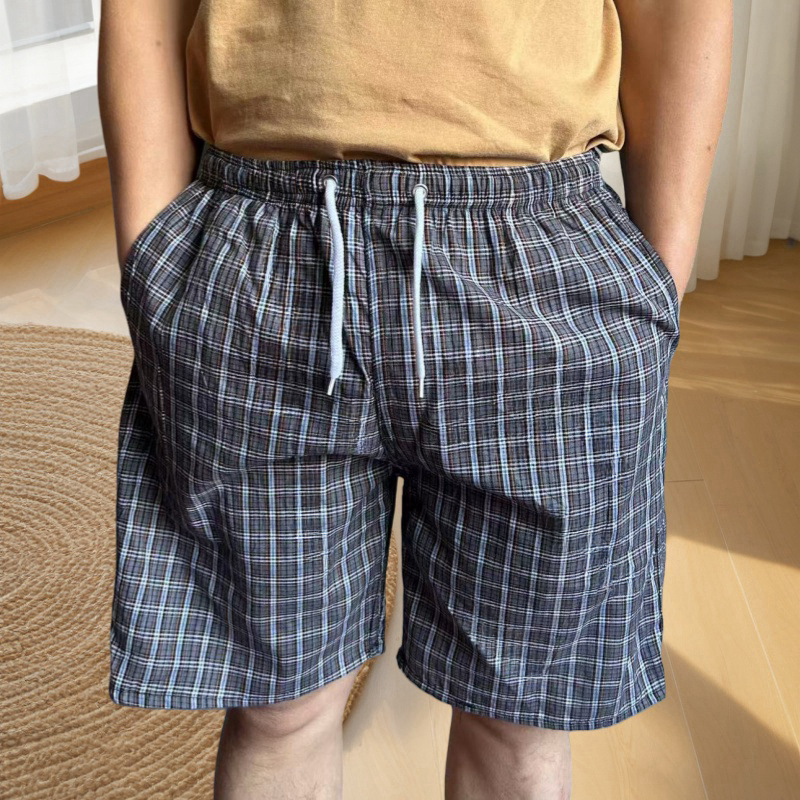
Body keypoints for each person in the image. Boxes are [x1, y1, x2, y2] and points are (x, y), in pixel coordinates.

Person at [98, 0, 733, 797]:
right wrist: (152, 254)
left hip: (540, 258)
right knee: (278, 710)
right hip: (262, 253)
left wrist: (657, 280)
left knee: (517, 725)